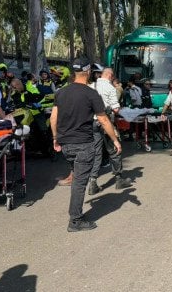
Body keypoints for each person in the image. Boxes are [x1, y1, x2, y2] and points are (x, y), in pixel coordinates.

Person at [50, 57, 122, 232]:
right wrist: (114, 140)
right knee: (79, 183)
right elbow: (104, 120)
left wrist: (55, 138)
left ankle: (76, 215)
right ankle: (75, 220)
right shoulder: (91, 93)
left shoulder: (61, 92)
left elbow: (53, 117)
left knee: (77, 178)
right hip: (83, 144)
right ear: (88, 72)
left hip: (66, 145)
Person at [88, 68, 133, 194]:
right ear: (110, 75)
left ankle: (92, 183)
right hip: (106, 123)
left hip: (93, 122)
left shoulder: (91, 86)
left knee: (97, 153)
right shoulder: (110, 88)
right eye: (112, 77)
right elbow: (116, 109)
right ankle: (119, 179)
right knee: (114, 149)